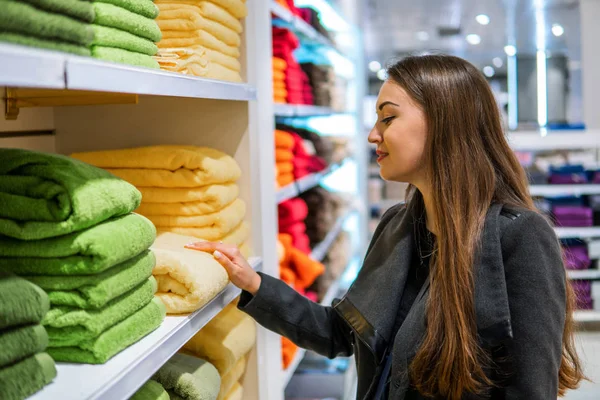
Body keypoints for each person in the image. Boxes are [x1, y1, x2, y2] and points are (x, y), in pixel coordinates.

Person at [186, 55, 585, 399]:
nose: (373, 134)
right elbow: (340, 333)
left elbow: (530, 390)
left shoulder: (519, 238)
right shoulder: (397, 227)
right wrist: (253, 283)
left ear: (446, 123)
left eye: (389, 117)